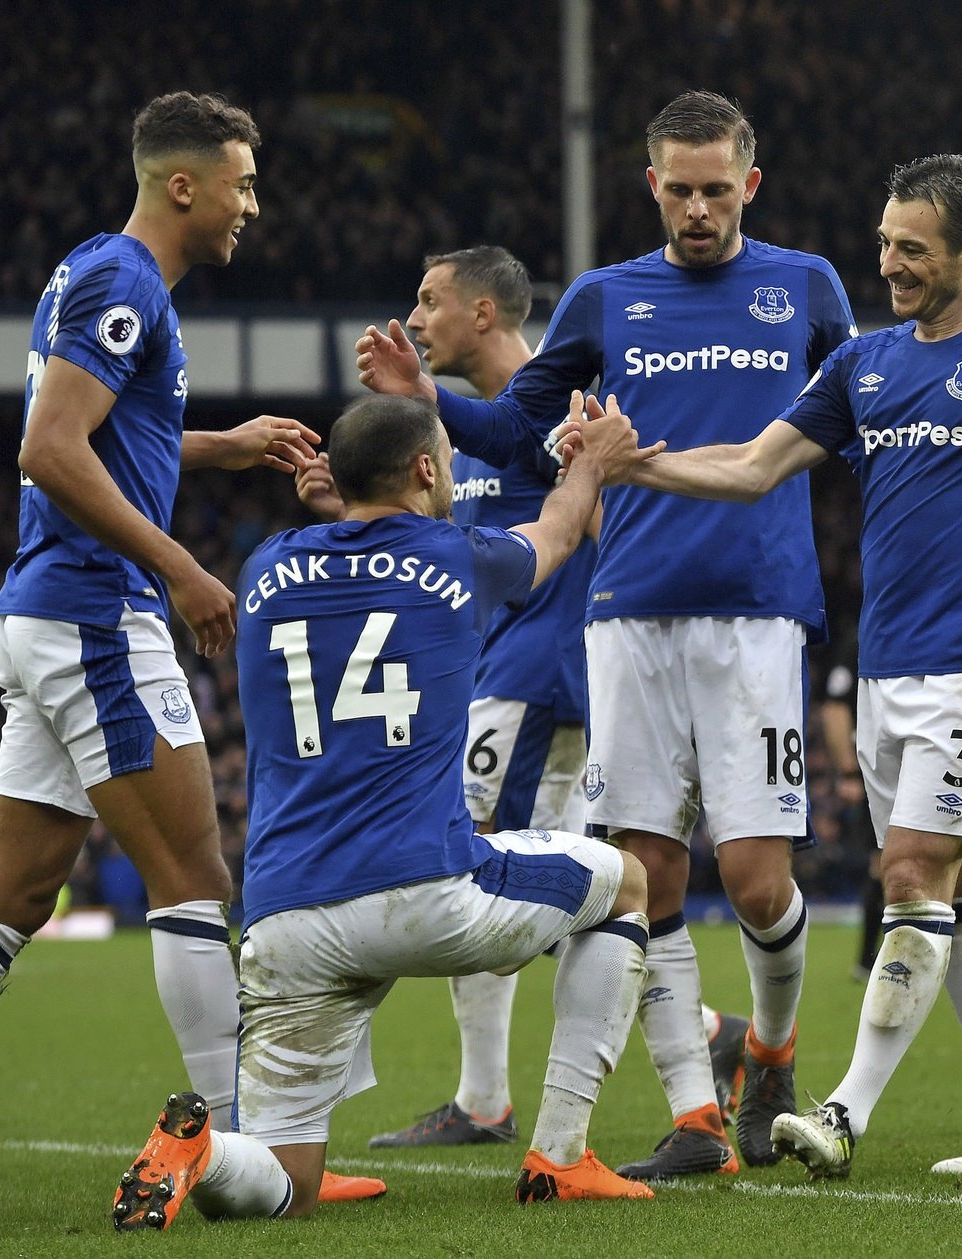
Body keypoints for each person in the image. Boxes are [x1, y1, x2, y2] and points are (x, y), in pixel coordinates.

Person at [0, 92, 331, 1216]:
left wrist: (221, 445)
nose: (254, 204)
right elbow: (50, 448)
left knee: (13, 893)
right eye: (242, 183)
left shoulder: (106, 276)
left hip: (53, 612)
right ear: (183, 184)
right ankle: (244, 1156)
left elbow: (110, 435)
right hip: (98, 611)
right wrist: (188, 569)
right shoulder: (123, 281)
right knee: (196, 883)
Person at [619, 154, 962, 1176]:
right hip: (885, 670)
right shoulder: (861, 365)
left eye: (911, 249)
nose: (890, 264)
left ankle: (843, 1109)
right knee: (958, 886)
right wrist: (630, 460)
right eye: (883, 243)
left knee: (907, 870)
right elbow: (750, 466)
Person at [355, 91, 853, 1176]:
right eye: (679, 188)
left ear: (749, 185)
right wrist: (428, 401)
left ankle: (769, 1047)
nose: (697, 206)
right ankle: (697, 1118)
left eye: (717, 188)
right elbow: (515, 429)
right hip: (626, 612)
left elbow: (857, 415)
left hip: (758, 613)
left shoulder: (806, 287)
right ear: (652, 184)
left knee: (761, 879)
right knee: (646, 875)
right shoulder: (604, 298)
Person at [110, 391, 657, 1228]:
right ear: (429, 468)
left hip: (285, 918)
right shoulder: (458, 557)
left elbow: (351, 564)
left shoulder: (263, 569)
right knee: (627, 882)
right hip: (423, 894)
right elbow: (555, 530)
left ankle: (204, 1152)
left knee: (284, 1186)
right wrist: (589, 462)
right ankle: (561, 1155)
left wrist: (341, 509)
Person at [298, 247, 586, 1149]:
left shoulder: (557, 411)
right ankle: (696, 1037)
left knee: (482, 870)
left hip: (539, 683)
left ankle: (488, 1102)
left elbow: (590, 517)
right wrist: (343, 510)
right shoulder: (449, 446)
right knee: (530, 880)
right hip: (491, 683)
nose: (414, 319)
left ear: (486, 314)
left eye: (430, 302)